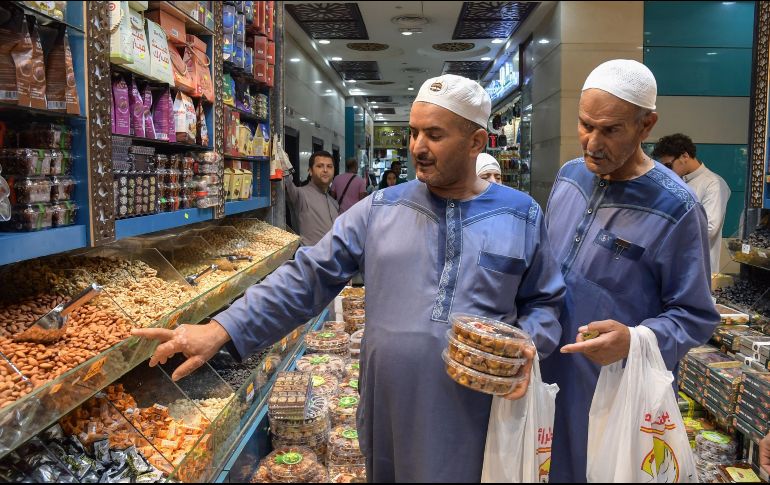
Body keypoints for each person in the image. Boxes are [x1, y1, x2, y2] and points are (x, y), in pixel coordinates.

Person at [133, 74, 566, 483]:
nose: (417, 146)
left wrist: (526, 346)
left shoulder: (521, 214)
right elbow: (308, 275)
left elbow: (544, 303)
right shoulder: (379, 209)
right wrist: (222, 328)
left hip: (480, 411)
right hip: (389, 411)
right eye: (413, 133)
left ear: (475, 142)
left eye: (434, 135)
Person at [540, 59, 719, 482]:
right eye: (586, 125)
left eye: (610, 130)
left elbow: (696, 315)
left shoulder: (677, 207)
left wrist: (634, 340)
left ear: (646, 125)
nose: (592, 143)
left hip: (614, 393)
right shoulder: (568, 177)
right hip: (548, 380)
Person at [652, 133, 731, 271]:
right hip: (674, 263)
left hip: (698, 267)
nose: (666, 171)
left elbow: (709, 229)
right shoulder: (677, 181)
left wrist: (668, 234)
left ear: (685, 156)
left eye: (669, 166)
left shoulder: (713, 184)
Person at [283, 150, 339, 246]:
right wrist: (283, 162)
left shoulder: (334, 203)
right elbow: (287, 183)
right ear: (310, 171)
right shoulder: (300, 195)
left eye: (329, 166)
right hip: (310, 259)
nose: (325, 170)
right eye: (319, 166)